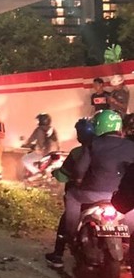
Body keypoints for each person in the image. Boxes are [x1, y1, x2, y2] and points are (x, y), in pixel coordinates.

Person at [46, 109, 134, 269]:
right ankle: (128, 245)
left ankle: (68, 239)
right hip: (122, 196)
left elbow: (79, 171)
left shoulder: (92, 145)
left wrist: (79, 180)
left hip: (92, 194)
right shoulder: (130, 145)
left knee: (72, 197)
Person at [21, 113, 59, 179]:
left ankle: (36, 172)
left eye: (38, 120)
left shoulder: (39, 129)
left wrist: (26, 145)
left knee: (25, 159)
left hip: (43, 153)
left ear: (41, 121)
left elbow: (31, 140)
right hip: (55, 152)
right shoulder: (53, 129)